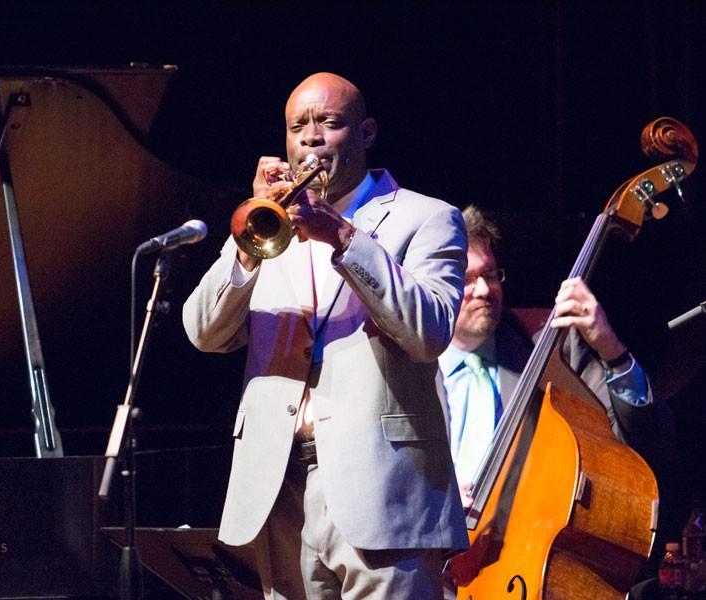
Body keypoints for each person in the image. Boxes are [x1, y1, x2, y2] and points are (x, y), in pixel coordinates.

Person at [182, 72, 469, 599]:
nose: (311, 137)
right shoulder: (270, 225)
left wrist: (341, 235)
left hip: (384, 492)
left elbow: (428, 333)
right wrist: (244, 245)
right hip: (278, 489)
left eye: (329, 123)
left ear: (366, 133)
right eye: (298, 127)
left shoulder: (427, 218)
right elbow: (203, 331)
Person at [439, 205, 675, 508]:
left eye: (490, 274)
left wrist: (611, 349)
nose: (484, 289)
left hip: (527, 543)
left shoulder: (553, 346)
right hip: (430, 547)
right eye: (467, 279)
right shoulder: (402, 362)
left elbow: (647, 447)